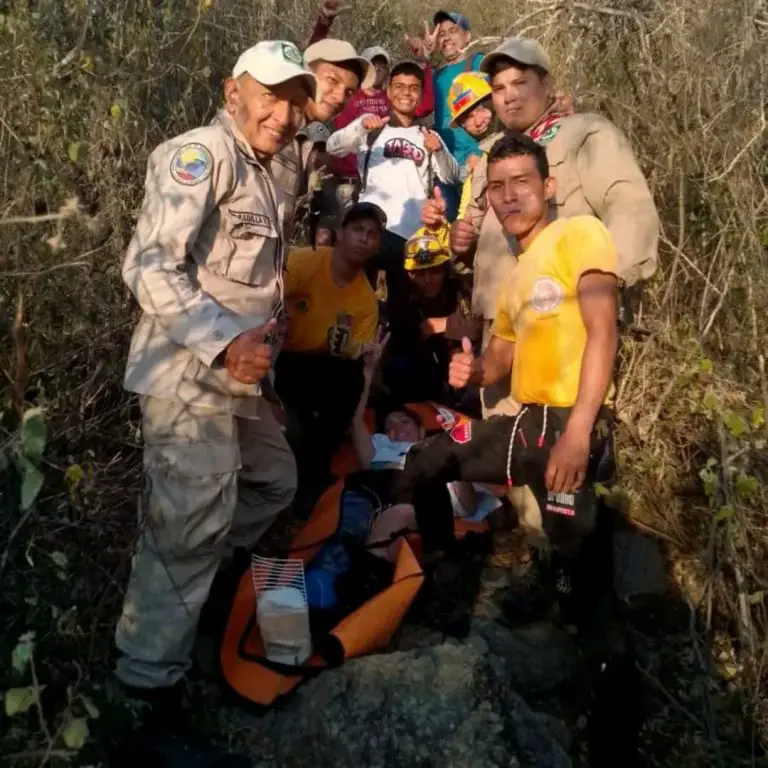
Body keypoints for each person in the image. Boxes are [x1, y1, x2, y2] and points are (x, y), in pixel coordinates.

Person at [115, 41, 315, 766]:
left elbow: (253, 277)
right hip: (188, 374)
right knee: (189, 530)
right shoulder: (200, 153)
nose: (286, 112)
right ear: (233, 91)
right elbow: (149, 263)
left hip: (240, 379)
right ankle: (147, 699)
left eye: (298, 98)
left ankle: (189, 597)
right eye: (272, 94)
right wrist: (225, 344)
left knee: (273, 481)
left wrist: (257, 361)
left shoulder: (269, 165)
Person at [392, 133, 620, 623]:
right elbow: (498, 362)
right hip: (528, 423)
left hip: (569, 420)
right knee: (425, 461)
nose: (509, 195)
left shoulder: (581, 234)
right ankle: (444, 573)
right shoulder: (516, 276)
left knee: (572, 548)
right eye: (497, 187)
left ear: (549, 185)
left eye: (522, 181)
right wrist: (471, 369)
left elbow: (604, 333)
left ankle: (584, 638)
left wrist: (579, 432)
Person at [275, 202, 384, 515]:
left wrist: (369, 361)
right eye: (357, 230)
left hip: (319, 366)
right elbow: (271, 296)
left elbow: (353, 354)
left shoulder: (365, 301)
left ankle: (315, 474)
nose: (363, 238)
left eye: (372, 234)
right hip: (280, 354)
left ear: (377, 245)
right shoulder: (306, 262)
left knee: (349, 379)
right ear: (340, 233)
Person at [326, 61, 459, 306]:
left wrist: (439, 150)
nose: (406, 93)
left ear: (420, 95)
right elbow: (333, 146)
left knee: (403, 307)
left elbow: (452, 176)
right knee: (356, 301)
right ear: (388, 90)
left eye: (413, 87)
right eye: (399, 86)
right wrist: (360, 127)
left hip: (411, 235)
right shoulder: (372, 126)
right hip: (371, 231)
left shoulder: (428, 135)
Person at [317, 46, 436, 245]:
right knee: (338, 239)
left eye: (383, 66)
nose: (378, 70)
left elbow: (423, 103)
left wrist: (424, 64)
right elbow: (336, 143)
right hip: (347, 182)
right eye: (373, 65)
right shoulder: (350, 95)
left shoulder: (389, 98)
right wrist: (361, 126)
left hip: (383, 189)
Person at [272, 38, 375, 239]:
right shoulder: (270, 128)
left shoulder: (307, 140)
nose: (339, 97)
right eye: (332, 80)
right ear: (306, 74)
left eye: (349, 91)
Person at [383, 229, 482, 412]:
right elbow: (400, 338)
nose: (428, 280)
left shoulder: (460, 287)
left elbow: (476, 323)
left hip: (460, 359)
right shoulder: (402, 296)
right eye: (420, 273)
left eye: (435, 271)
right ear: (409, 274)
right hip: (423, 365)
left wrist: (441, 324)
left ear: (445, 270)